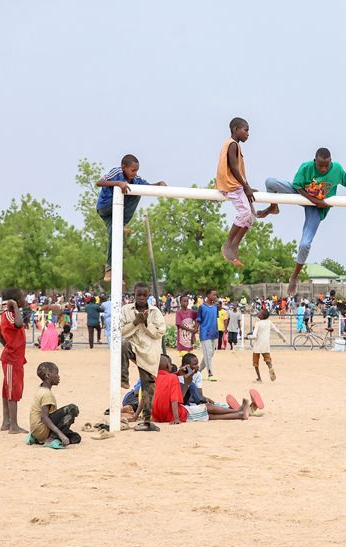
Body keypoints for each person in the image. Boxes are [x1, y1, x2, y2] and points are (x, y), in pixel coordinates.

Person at [257, 148, 346, 295]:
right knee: (270, 182)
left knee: (305, 244)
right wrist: (314, 200)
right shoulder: (306, 167)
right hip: (303, 196)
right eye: (320, 166)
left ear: (330, 161)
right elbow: (298, 187)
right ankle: (273, 207)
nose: (324, 168)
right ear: (315, 161)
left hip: (317, 209)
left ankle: (294, 277)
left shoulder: (337, 169)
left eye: (326, 165)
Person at [95, 154, 167, 281]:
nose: (135, 173)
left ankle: (109, 269)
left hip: (116, 214)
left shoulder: (136, 179)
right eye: (133, 170)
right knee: (134, 192)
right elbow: (99, 182)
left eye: (137, 170)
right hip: (106, 207)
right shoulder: (116, 172)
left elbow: (147, 186)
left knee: (115, 232)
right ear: (124, 167)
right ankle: (120, 223)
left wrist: (159, 183)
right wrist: (118, 183)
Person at [120, 282, 166, 432]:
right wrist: (135, 322)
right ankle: (123, 377)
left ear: (148, 295)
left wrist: (145, 322)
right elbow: (120, 332)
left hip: (149, 353)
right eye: (138, 294)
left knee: (148, 388)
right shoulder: (126, 310)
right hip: (134, 347)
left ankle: (147, 421)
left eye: (144, 295)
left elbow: (159, 332)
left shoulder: (155, 312)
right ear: (133, 293)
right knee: (123, 345)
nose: (141, 298)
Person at [151, 355, 250, 424]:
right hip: (175, 414)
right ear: (169, 366)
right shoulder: (173, 378)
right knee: (206, 407)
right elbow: (174, 400)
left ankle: (240, 414)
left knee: (206, 416)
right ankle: (238, 411)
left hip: (158, 416)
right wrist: (176, 418)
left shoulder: (154, 378)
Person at [216, 117, 256, 268]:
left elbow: (239, 170)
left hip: (238, 185)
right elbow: (233, 167)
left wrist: (248, 186)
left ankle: (235, 245)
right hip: (231, 186)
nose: (248, 134)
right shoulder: (232, 144)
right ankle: (227, 244)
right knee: (245, 212)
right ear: (235, 130)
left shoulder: (236, 146)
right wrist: (245, 187)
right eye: (246, 130)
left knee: (251, 217)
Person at [26, 362, 80, 449]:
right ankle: (51, 439)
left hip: (36, 430)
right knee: (72, 409)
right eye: (56, 373)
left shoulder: (41, 388)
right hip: (42, 429)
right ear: (48, 375)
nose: (58, 376)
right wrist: (60, 434)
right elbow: (44, 417)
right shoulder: (46, 394)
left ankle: (36, 438)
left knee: (75, 437)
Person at [0, 288, 27, 434]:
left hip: (15, 357)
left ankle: (6, 422)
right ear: (15, 300)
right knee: (12, 391)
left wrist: (10, 345)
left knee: (8, 390)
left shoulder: (7, 314)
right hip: (12, 358)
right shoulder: (10, 314)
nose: (25, 298)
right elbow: (19, 324)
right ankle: (13, 426)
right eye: (23, 297)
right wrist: (15, 306)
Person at [248, 309, 286, 383]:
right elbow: (277, 331)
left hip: (257, 346)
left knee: (255, 363)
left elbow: (255, 336)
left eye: (260, 313)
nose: (258, 313)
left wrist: (248, 337)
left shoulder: (258, 323)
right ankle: (270, 368)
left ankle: (259, 378)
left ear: (262, 316)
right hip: (266, 345)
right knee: (268, 360)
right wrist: (283, 338)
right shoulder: (269, 322)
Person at [195, 289, 220, 382]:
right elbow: (198, 320)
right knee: (208, 353)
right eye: (213, 295)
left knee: (210, 354)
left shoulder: (215, 307)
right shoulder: (202, 307)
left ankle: (197, 371)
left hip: (214, 333)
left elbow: (215, 318)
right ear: (208, 295)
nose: (215, 297)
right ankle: (210, 373)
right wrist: (195, 330)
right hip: (205, 333)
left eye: (215, 295)